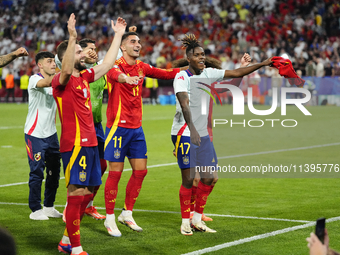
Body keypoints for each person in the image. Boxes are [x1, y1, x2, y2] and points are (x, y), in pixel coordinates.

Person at [171, 34, 272, 235]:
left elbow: (236, 72)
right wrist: (192, 130)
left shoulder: (209, 73)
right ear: (189, 58)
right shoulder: (181, 77)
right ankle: (185, 222)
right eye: (198, 55)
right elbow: (184, 104)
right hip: (184, 133)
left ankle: (198, 220)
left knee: (209, 177)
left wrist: (263, 63)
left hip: (203, 134)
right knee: (189, 179)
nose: (202, 58)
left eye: (203, 55)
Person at [52, 14, 127, 255]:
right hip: (74, 145)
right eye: (77, 53)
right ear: (66, 57)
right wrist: (72, 37)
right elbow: (65, 70)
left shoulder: (84, 77)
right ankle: (75, 248)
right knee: (76, 194)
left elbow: (106, 65)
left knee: (86, 194)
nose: (83, 55)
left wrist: (118, 35)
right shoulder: (60, 82)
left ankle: (66, 240)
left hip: (92, 143)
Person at [103, 31, 186, 237]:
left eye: (139, 41)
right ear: (123, 47)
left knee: (140, 171)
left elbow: (165, 73)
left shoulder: (142, 67)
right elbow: (115, 75)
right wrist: (126, 78)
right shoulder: (114, 64)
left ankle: (127, 213)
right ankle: (109, 217)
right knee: (115, 172)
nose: (138, 44)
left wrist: (189, 69)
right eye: (133, 41)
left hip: (136, 128)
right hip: (117, 128)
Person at [24, 51, 62, 221]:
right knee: (37, 172)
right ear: (40, 65)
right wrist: (64, 70)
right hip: (35, 135)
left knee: (54, 171)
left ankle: (48, 206)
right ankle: (35, 209)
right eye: (49, 61)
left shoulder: (57, 79)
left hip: (51, 134)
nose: (53, 64)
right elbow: (47, 82)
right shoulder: (34, 79)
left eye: (54, 61)